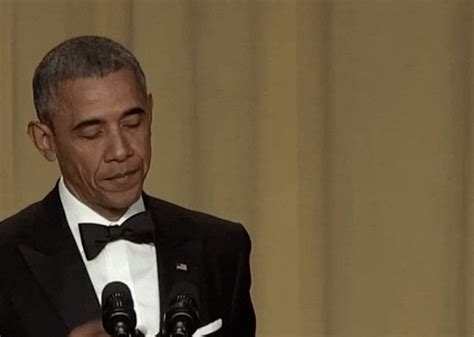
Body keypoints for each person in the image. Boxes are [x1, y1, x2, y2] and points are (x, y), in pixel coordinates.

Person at [0, 35, 256, 337]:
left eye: (132, 124)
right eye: (93, 133)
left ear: (150, 112)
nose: (121, 151)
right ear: (45, 141)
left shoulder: (221, 247)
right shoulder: (6, 260)